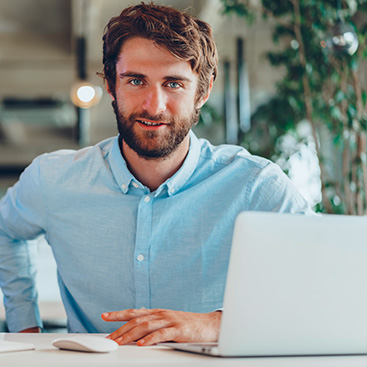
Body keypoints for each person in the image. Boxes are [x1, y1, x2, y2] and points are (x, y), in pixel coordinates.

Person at [0, 3, 312, 346]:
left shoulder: (256, 186)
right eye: (136, 80)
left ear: (203, 92)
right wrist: (24, 328)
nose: (154, 105)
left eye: (174, 83)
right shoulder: (53, 180)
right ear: (110, 85)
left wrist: (217, 325)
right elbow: (6, 231)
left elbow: (318, 285)